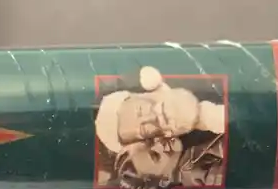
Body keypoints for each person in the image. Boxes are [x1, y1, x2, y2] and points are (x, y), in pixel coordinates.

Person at [94, 66, 226, 156]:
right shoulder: (203, 154)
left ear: (145, 92)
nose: (154, 117)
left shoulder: (185, 64)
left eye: (141, 110)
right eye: (145, 130)